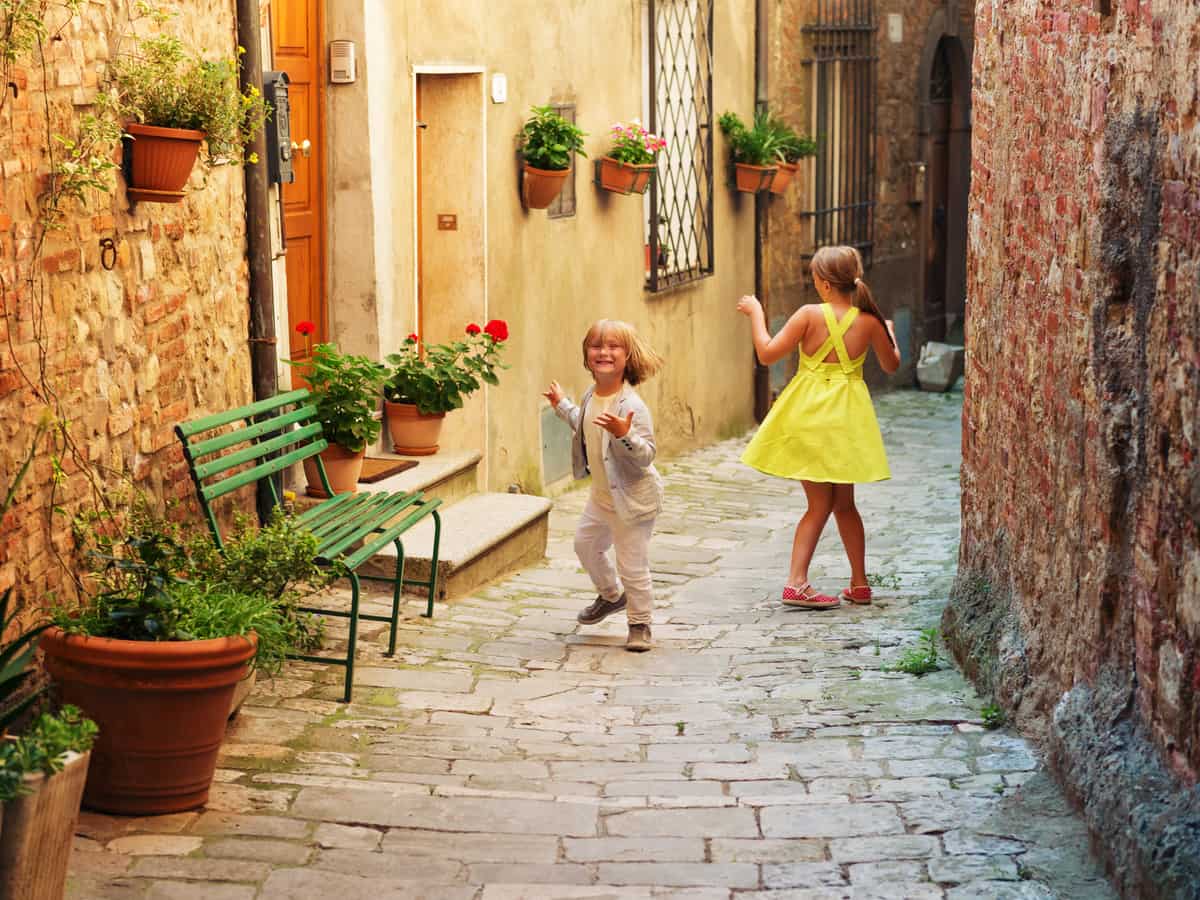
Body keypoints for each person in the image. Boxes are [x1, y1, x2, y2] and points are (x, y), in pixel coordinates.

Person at [736, 245, 901, 610]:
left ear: (824, 284)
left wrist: (756, 312)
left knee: (818, 503)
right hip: (845, 419)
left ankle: (796, 581)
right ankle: (859, 583)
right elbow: (892, 365)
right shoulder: (869, 321)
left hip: (808, 414)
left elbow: (766, 353)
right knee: (844, 503)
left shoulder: (809, 315)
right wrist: (890, 332)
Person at [543, 320, 665, 652]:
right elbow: (582, 423)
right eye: (596, 346)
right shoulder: (590, 395)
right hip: (601, 498)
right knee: (584, 545)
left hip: (633, 501)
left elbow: (647, 455)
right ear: (587, 355)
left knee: (632, 564)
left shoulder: (631, 406)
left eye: (613, 347)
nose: (604, 352)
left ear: (628, 356)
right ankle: (612, 596)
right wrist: (561, 405)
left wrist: (625, 434)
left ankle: (640, 624)